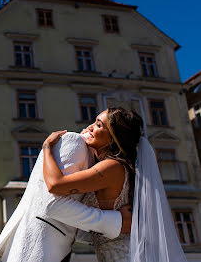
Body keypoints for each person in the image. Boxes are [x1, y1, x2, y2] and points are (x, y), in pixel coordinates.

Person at [43, 107, 187, 262]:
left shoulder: (112, 167)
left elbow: (55, 185)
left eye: (99, 125)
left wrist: (47, 148)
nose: (90, 127)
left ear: (113, 138)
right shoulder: (115, 167)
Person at [0, 131, 132, 262]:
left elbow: (74, 226)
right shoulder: (74, 141)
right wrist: (116, 222)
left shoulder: (106, 166)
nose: (90, 126)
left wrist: (112, 231)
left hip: (56, 249)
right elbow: (52, 203)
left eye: (99, 125)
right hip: (37, 245)